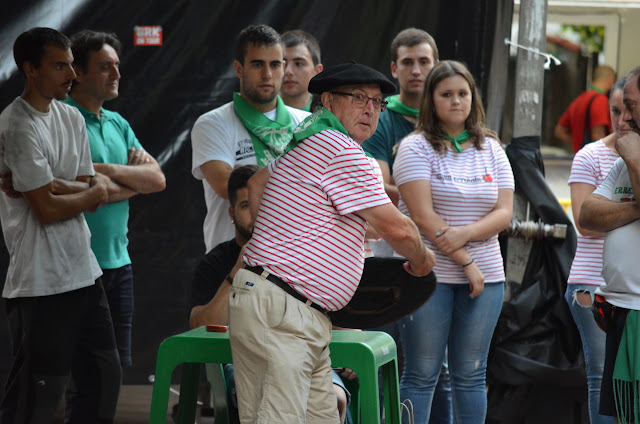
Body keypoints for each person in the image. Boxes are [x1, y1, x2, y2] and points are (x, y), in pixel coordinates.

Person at [228, 61, 435, 423]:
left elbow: (258, 184)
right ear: (326, 100)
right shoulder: (338, 149)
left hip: (291, 310)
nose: (370, 109)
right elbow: (399, 230)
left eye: (377, 103)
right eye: (358, 98)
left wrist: (289, 229)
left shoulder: (307, 142)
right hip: (284, 310)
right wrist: (422, 261)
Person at [0, 27, 121, 423]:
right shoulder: (17, 124)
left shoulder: (70, 117)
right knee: (38, 396)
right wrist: (87, 194)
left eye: (71, 64)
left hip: (84, 273)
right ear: (30, 69)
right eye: (59, 65)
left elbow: (89, 184)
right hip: (40, 284)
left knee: (104, 379)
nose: (72, 73)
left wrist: (54, 184)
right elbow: (48, 210)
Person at [393, 60, 514, 423]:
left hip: (487, 278)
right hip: (429, 276)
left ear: (473, 98)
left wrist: (464, 235)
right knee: (421, 373)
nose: (456, 101)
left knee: (472, 374)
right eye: (446, 94)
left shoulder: (491, 147)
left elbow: (504, 212)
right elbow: (424, 218)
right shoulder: (414, 147)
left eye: (463, 93)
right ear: (431, 100)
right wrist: (466, 260)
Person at [189, 165, 354, 423]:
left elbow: (334, 320)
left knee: (335, 398)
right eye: (246, 205)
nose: (258, 211)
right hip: (241, 361)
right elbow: (200, 326)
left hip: (310, 354)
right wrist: (237, 273)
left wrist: (351, 353)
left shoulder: (301, 257)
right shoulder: (216, 262)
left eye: (266, 202)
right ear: (232, 213)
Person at [64, 29, 166, 369]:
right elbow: (79, 184)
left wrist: (106, 169)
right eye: (106, 67)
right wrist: (128, 179)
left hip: (118, 265)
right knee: (74, 368)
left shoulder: (118, 123)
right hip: (72, 266)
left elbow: (157, 178)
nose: (117, 75)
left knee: (113, 366)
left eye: (117, 66)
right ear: (77, 73)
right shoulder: (62, 119)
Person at [191, 24, 309, 252]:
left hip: (295, 258)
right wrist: (300, 175)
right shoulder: (212, 123)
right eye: (257, 64)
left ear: (283, 68)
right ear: (238, 68)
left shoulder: (306, 124)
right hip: (233, 260)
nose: (267, 74)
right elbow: (229, 187)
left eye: (275, 65)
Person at [565, 77, 629, 424]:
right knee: (602, 377)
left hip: (630, 285)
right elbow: (585, 223)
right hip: (591, 283)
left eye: (629, 110)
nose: (621, 119)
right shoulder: (591, 154)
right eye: (615, 110)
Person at [580, 66, 640, 423]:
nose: (625, 118)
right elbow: (588, 214)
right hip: (624, 311)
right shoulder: (623, 160)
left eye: (631, 106)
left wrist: (633, 157)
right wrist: (634, 208)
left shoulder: (630, 153)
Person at [362, 27, 439, 207]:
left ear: (436, 66)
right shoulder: (377, 117)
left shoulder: (451, 116)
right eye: (407, 62)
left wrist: (400, 180)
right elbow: (378, 188)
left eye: (424, 61)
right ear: (394, 69)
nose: (416, 71)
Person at [555, 65, 616, 154]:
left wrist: (578, 143)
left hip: (580, 157)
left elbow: (559, 131)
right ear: (611, 81)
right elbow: (597, 135)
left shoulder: (579, 99)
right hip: (594, 161)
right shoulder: (601, 100)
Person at [280, 29, 323, 111]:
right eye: (282, 63)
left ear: (317, 71)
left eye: (299, 64)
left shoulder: (328, 118)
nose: (288, 71)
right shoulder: (256, 108)